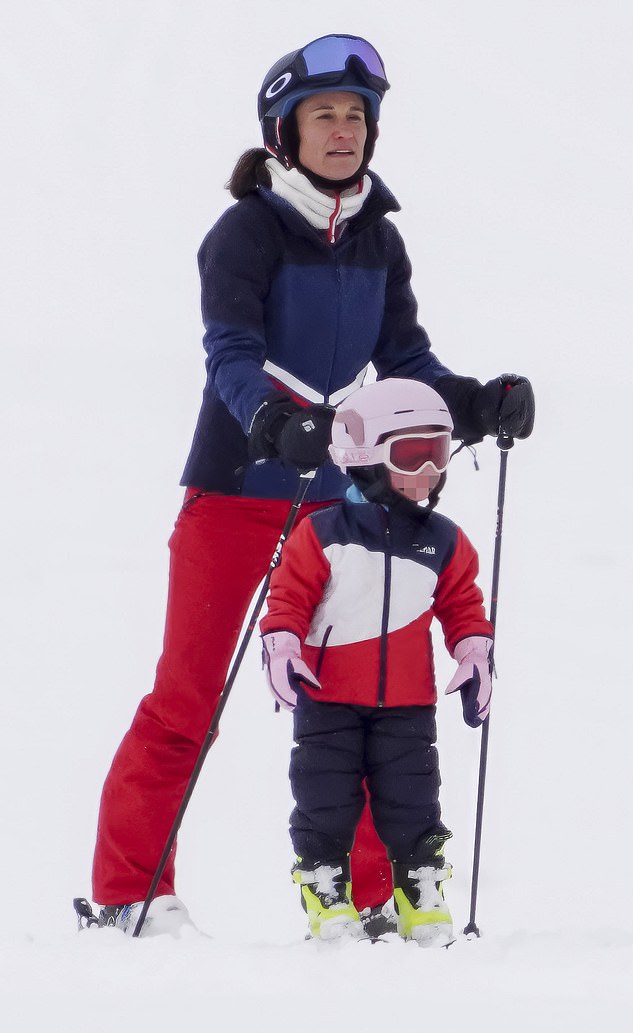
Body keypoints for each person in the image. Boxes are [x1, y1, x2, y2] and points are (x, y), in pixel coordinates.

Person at [89, 34, 534, 936]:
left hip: (341, 509)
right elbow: (231, 352)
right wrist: (270, 420)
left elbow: (405, 360)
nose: (343, 130)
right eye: (323, 114)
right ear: (283, 132)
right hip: (232, 492)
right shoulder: (245, 233)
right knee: (187, 698)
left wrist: (475, 403)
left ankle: (372, 897)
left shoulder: (379, 240)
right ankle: (128, 890)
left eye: (355, 115)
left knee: (361, 695)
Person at [260, 378, 494, 946]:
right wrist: (283, 645)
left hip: (407, 706)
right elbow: (287, 599)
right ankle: (325, 888)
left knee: (413, 801)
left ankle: (420, 891)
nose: (429, 471)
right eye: (412, 455)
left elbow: (463, 605)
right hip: (328, 699)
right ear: (363, 457)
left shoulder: (444, 542)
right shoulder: (321, 534)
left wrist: (474, 651)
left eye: (438, 453)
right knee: (325, 799)